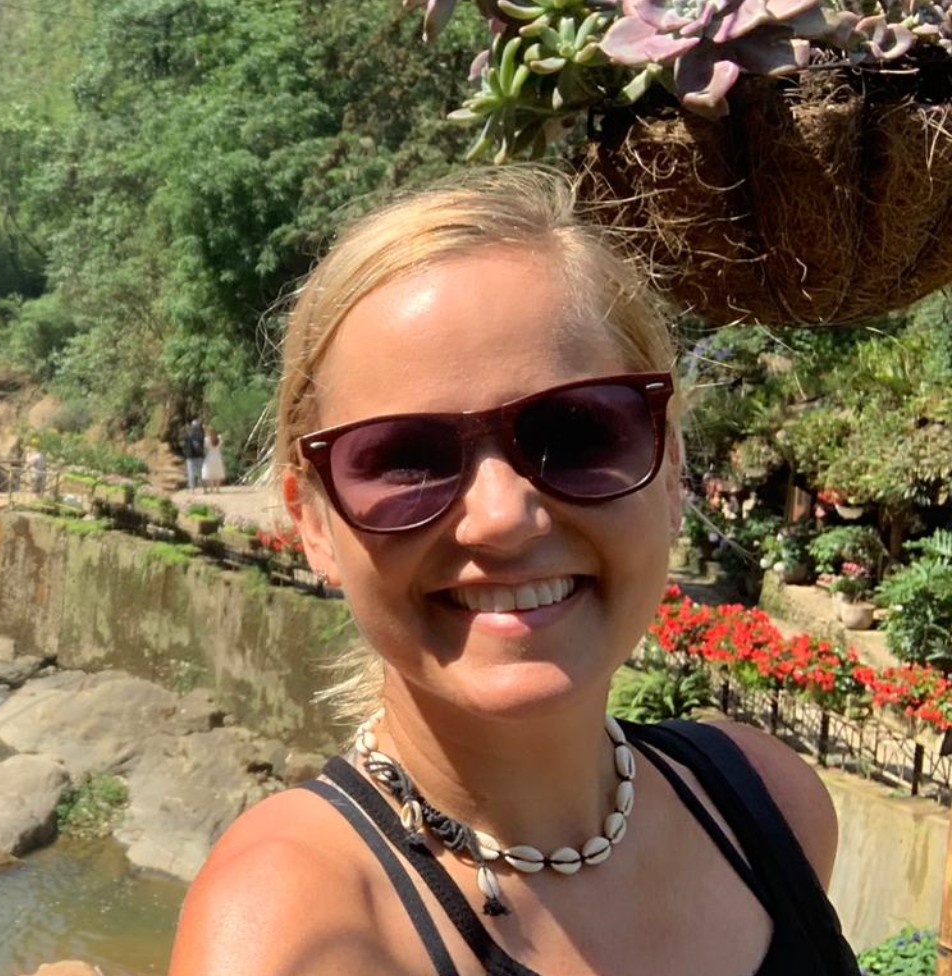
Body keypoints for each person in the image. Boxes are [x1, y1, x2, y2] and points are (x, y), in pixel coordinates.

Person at [170, 167, 850, 976]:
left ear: (670, 473)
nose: (503, 515)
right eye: (406, 459)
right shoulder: (299, 932)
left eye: (577, 433)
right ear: (313, 522)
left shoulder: (767, 805)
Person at [180, 418, 207, 491]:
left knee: (191, 472)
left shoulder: (189, 435)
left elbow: (183, 444)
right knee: (201, 472)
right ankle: (204, 488)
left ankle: (192, 489)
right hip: (200, 456)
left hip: (191, 456)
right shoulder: (201, 435)